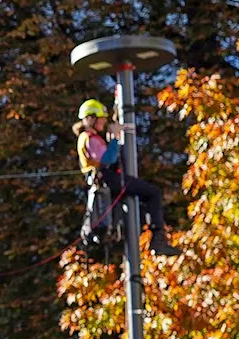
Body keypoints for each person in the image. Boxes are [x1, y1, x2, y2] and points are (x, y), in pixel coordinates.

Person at [74, 99, 180, 257]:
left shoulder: (89, 138)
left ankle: (149, 237)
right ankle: (158, 240)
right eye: (101, 118)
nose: (104, 121)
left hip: (105, 182)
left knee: (140, 200)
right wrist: (116, 137)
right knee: (153, 193)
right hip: (109, 180)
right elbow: (107, 159)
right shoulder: (89, 138)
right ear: (91, 118)